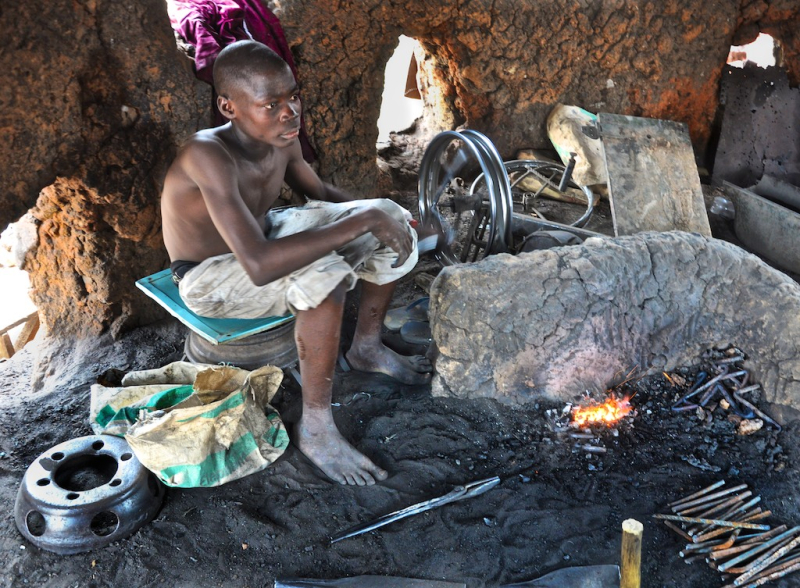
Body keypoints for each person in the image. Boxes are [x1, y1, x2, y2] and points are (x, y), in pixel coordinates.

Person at [160, 40, 433, 486]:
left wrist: (386, 215)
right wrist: (364, 219)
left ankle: (365, 346)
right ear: (229, 107)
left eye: (293, 97)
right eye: (271, 104)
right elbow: (260, 266)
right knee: (326, 278)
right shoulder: (206, 155)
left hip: (265, 235)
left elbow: (322, 195)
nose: (290, 112)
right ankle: (318, 427)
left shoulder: (278, 138)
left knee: (387, 212)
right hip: (208, 276)